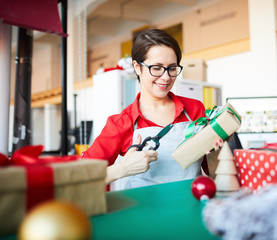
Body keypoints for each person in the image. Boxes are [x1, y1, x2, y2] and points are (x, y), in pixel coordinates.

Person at [82, 29, 220, 189]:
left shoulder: (194, 109)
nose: (166, 77)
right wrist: (122, 169)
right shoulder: (120, 123)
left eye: (172, 68)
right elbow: (80, 178)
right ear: (137, 67)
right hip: (142, 212)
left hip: (190, 206)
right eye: (157, 67)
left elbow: (212, 171)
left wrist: (217, 152)